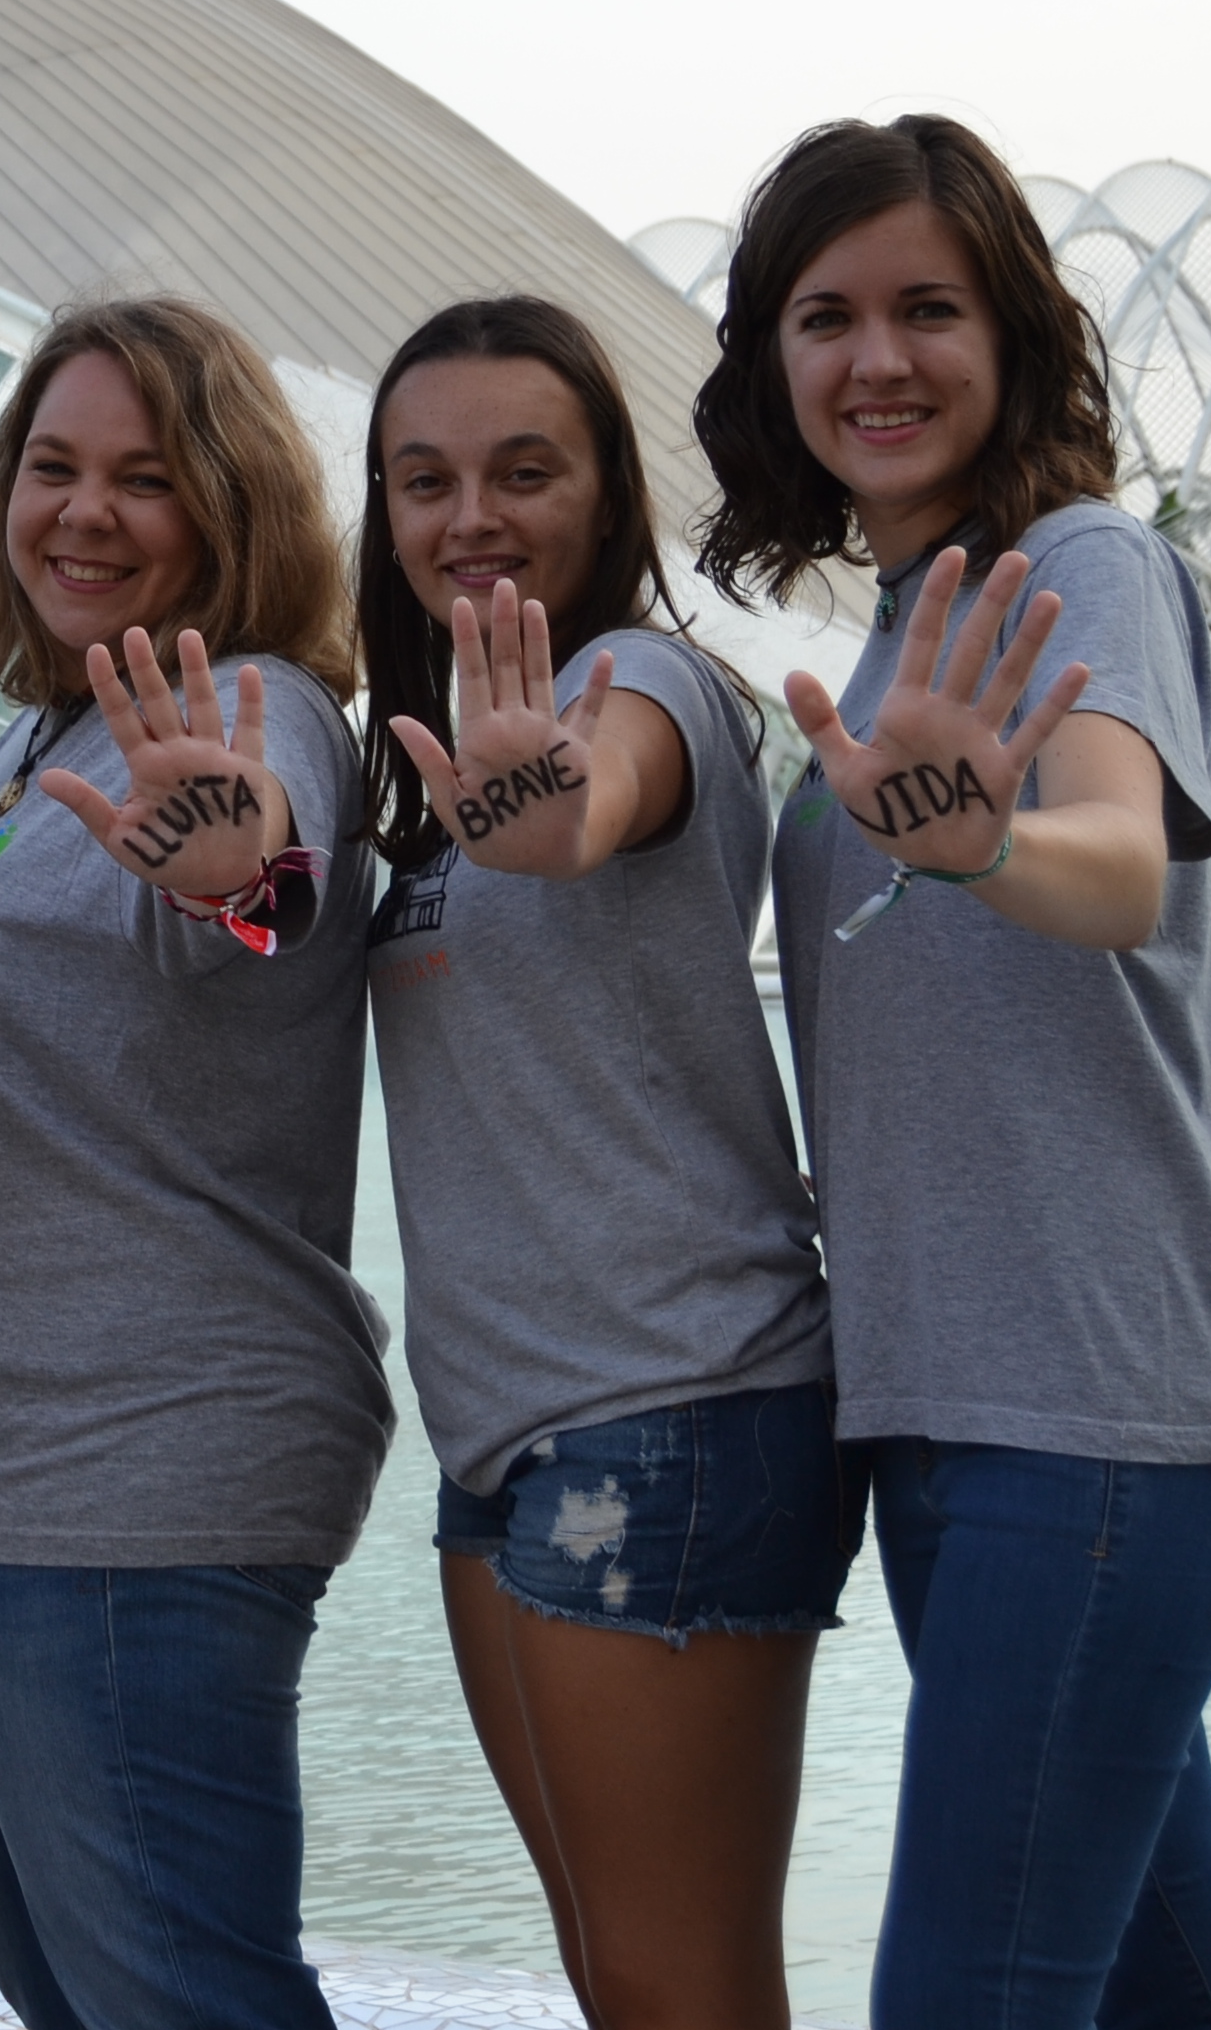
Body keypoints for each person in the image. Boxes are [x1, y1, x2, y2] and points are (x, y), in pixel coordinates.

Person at [695, 116, 1211, 2029]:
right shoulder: (906, 626)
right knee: (1167, 1985)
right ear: (770, 364)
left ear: (1017, 337)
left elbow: (1121, 861)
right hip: (965, 1410)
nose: (875, 360)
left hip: (1107, 1410)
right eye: (825, 317)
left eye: (927, 310)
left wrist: (984, 847)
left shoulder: (1082, 564)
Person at [0, 294, 380, 2030]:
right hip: (16, 1467)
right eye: (51, 467)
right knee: (79, 1994)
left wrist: (240, 869)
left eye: (141, 479)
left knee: (177, 1998)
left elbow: (264, 886)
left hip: (146, 1466)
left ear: (225, 507)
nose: (80, 512)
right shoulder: (37, 743)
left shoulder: (251, 706)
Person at [352, 299, 838, 2030]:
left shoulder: (639, 687)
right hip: (510, 1434)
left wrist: (556, 810)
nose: (469, 515)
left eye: (522, 471)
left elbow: (594, 799)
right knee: (608, 1966)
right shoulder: (418, 764)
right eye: (427, 480)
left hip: (673, 1406)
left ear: (608, 492)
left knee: (676, 1985)